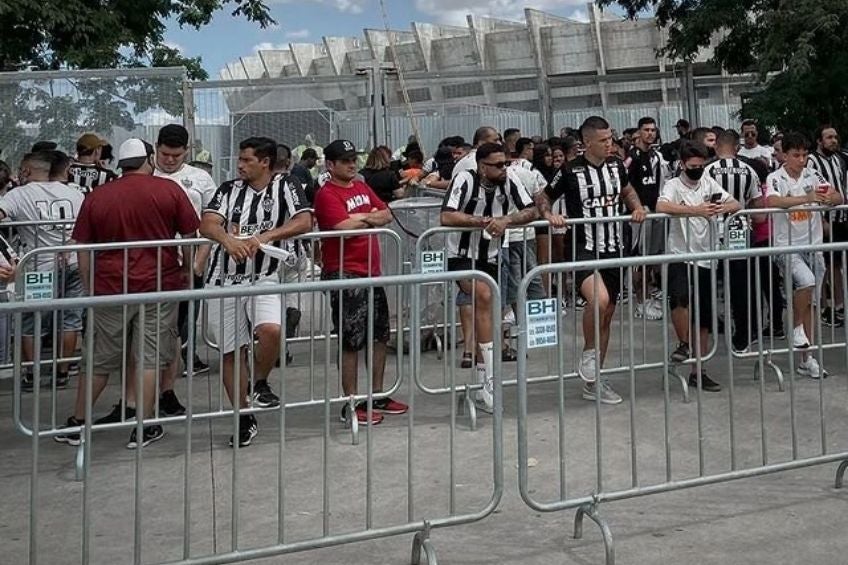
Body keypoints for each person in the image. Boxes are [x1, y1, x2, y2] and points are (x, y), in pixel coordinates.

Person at [56, 138, 199, 448]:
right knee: (149, 358)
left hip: (109, 288)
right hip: (158, 286)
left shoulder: (98, 196)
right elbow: (190, 235)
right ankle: (144, 426)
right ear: (149, 158)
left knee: (98, 359)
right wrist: (187, 269)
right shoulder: (169, 190)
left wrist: (89, 284)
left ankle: (78, 422)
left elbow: (82, 247)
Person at [200, 136, 313, 446]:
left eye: (247, 160)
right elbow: (207, 223)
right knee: (231, 351)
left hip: (263, 275)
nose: (240, 165)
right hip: (222, 279)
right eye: (240, 159)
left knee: (272, 330)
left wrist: (265, 236)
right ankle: (242, 416)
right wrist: (227, 240)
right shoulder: (227, 190)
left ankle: (258, 382)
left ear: (265, 162)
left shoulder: (284, 185)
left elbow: (304, 220)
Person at [535, 116, 647, 405]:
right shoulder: (569, 171)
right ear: (586, 143)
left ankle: (595, 378)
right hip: (584, 248)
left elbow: (628, 190)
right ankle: (588, 356)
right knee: (596, 300)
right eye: (603, 140)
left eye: (611, 138)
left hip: (615, 247)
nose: (610, 144)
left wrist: (636, 207)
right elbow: (544, 197)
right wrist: (550, 215)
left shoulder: (615, 166)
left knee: (607, 313)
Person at [314, 139, 409, 425]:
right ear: (330, 165)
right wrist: (369, 219)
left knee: (379, 336)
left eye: (353, 159)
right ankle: (351, 402)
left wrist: (361, 218)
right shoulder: (326, 194)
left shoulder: (362, 185)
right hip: (344, 272)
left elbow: (387, 213)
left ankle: (377, 395)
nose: (352, 164)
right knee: (351, 340)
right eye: (345, 161)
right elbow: (341, 226)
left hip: (371, 272)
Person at [442, 142, 537, 412]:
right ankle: (489, 380)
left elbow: (531, 210)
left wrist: (506, 221)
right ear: (482, 166)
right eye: (497, 165)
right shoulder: (465, 179)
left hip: (494, 256)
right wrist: (482, 222)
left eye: (505, 163)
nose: (503, 168)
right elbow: (446, 216)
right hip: (461, 255)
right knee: (483, 296)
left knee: (492, 309)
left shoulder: (510, 180)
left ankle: (486, 378)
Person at [657, 142, 741, 392]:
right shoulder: (672, 185)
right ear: (682, 164)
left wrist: (718, 208)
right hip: (680, 253)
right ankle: (684, 343)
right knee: (680, 299)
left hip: (705, 255)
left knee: (704, 316)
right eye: (693, 166)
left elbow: (735, 203)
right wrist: (695, 210)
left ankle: (699, 370)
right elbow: (661, 206)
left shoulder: (708, 181)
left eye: (701, 166)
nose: (697, 170)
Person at [0, 151, 84, 391]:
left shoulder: (18, 195)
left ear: (26, 171)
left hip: (39, 266)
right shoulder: (74, 193)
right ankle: (62, 372)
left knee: (32, 321)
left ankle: (32, 373)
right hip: (74, 262)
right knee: (70, 319)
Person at [766, 132, 842, 379]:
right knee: (806, 282)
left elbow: (837, 196)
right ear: (785, 155)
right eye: (796, 155)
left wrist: (829, 199)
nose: (802, 159)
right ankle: (797, 329)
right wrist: (806, 198)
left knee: (812, 302)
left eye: (805, 154)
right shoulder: (775, 177)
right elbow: (773, 201)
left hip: (814, 244)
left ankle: (806, 358)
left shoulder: (813, 174)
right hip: (787, 246)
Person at [153, 124, 217, 393]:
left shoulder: (200, 179)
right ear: (156, 148)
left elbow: (213, 222)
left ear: (186, 151)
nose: (169, 160)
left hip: (190, 260)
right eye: (165, 154)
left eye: (176, 156)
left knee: (186, 317)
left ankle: (186, 357)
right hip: (153, 264)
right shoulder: (146, 175)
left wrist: (199, 260)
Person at [705, 130, 775, 351]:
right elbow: (759, 211)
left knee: (709, 283)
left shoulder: (708, 171)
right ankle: (745, 334)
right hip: (741, 232)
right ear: (736, 147)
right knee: (741, 284)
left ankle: (710, 329)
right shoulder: (749, 170)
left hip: (712, 232)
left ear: (716, 147)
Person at [806, 125, 848, 327]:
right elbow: (815, 191)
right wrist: (821, 218)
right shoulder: (812, 160)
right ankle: (823, 307)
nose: (834, 140)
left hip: (840, 217)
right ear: (819, 141)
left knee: (837, 263)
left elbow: (840, 188)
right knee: (823, 264)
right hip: (824, 218)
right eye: (829, 137)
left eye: (835, 137)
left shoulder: (838, 159)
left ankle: (839, 304)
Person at [627, 116, 667, 321]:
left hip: (655, 212)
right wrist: (635, 207)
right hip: (639, 216)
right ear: (639, 132)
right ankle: (641, 303)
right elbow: (624, 185)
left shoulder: (656, 156)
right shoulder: (632, 157)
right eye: (646, 130)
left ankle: (648, 296)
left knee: (651, 258)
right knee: (639, 260)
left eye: (653, 130)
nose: (650, 133)